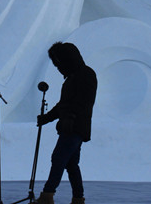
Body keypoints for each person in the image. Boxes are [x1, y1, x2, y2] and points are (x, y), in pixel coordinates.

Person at [36, 42, 97, 204]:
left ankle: (47, 196)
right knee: (71, 164)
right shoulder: (72, 78)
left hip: (75, 127)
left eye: (59, 65)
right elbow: (63, 105)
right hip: (70, 126)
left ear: (68, 61)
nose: (58, 69)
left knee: (58, 158)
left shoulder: (86, 74)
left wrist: (71, 116)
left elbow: (85, 101)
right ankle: (78, 198)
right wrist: (46, 118)